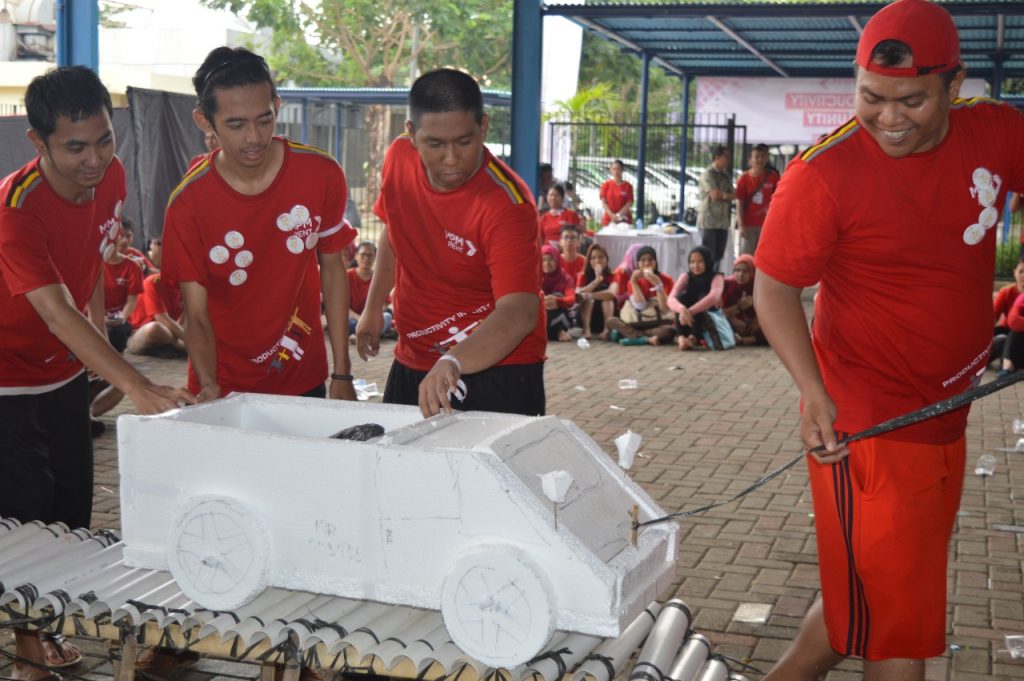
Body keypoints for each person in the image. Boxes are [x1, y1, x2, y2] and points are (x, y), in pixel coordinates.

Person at [753, 1, 1024, 679]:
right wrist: (812, 392)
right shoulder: (824, 174)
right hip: (867, 424)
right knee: (900, 629)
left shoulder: (994, 131)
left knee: (868, 604)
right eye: (871, 98)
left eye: (912, 101)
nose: (889, 119)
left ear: (954, 87)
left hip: (945, 416)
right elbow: (773, 288)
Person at [0, 65, 195, 681]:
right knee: (24, 514)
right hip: (5, 380)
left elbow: (85, 267)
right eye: (75, 147)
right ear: (39, 143)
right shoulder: (15, 210)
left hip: (61, 375)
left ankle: (45, 624)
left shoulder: (109, 177)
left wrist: (93, 359)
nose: (94, 159)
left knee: (70, 515)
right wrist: (133, 382)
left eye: (104, 140)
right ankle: (29, 655)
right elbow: (53, 311)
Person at [162, 46, 358, 403]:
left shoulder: (321, 174)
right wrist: (209, 384)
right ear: (204, 121)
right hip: (222, 381)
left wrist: (342, 372)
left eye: (264, 119)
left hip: (301, 371)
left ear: (277, 106)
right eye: (236, 125)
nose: (254, 137)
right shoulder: (188, 203)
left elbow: (333, 269)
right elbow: (195, 312)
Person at [356, 68, 546, 418]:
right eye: (435, 144)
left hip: (497, 364)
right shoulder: (398, 159)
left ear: (483, 128)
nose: (451, 159)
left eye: (464, 141)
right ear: (411, 134)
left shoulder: (508, 204)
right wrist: (372, 307)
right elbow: (395, 231)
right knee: (399, 466)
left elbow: (519, 311)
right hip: (416, 354)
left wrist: (454, 358)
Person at [606, 245, 674, 346]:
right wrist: (634, 282)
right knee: (611, 321)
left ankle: (630, 336)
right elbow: (640, 306)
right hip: (636, 321)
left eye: (650, 260)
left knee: (669, 331)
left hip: (656, 321)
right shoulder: (633, 281)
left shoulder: (666, 280)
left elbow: (665, 309)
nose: (647, 263)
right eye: (643, 260)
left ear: (656, 262)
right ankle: (645, 339)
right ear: (637, 264)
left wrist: (658, 285)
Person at [667, 245, 724, 351]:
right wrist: (682, 309)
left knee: (703, 297)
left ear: (708, 261)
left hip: (707, 319)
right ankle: (682, 338)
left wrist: (690, 311)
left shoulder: (717, 277)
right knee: (681, 299)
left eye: (700, 261)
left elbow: (713, 298)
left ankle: (693, 338)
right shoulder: (686, 276)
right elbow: (671, 299)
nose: (695, 265)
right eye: (692, 262)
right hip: (687, 320)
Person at [127, 272, 187, 357]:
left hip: (171, 333)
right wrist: (189, 342)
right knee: (154, 328)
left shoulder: (189, 287)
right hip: (141, 333)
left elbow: (185, 317)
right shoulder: (153, 282)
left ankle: (174, 347)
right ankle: (186, 347)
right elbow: (161, 318)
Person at [734, 144, 779, 255]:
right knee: (747, 256)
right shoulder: (743, 179)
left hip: (767, 225)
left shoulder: (773, 177)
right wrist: (741, 225)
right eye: (756, 156)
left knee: (765, 256)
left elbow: (779, 200)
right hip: (748, 225)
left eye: (763, 156)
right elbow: (739, 203)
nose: (760, 159)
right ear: (750, 160)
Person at [697, 145, 735, 271]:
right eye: (725, 157)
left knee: (719, 254)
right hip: (709, 220)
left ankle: (714, 281)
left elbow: (734, 194)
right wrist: (726, 195)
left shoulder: (726, 176)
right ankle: (706, 282)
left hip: (722, 221)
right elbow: (714, 195)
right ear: (717, 158)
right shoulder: (707, 174)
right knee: (708, 254)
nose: (728, 160)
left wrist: (723, 195)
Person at [347, 240, 393, 338]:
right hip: (353, 318)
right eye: (363, 254)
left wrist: (371, 318)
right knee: (344, 322)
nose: (366, 258)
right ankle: (370, 335)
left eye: (370, 255)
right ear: (356, 256)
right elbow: (344, 308)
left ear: (375, 257)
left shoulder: (379, 277)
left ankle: (361, 337)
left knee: (387, 316)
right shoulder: (347, 276)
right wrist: (362, 320)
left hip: (372, 318)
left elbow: (384, 305)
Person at [576, 242, 618, 340]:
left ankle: (606, 330)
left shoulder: (613, 275)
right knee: (588, 299)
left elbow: (611, 294)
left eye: (601, 257)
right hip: (587, 316)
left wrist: (590, 295)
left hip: (608, 315)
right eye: (594, 258)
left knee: (607, 299)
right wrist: (596, 281)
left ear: (607, 260)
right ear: (589, 261)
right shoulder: (583, 275)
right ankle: (586, 330)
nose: (597, 261)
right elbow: (578, 294)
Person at [721, 253, 764, 345]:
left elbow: (768, 310)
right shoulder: (727, 285)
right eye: (737, 270)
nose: (740, 274)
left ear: (753, 272)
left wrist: (757, 321)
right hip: (734, 323)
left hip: (754, 325)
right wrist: (738, 307)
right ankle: (741, 339)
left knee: (773, 328)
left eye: (745, 271)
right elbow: (721, 312)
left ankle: (744, 340)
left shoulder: (759, 285)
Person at [991, 258, 1024, 371]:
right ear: (1014, 272)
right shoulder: (1006, 292)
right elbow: (993, 318)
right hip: (1007, 331)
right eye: (1021, 271)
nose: (1023, 275)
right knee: (999, 339)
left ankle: (1007, 365)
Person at [541, 244, 576, 342]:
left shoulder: (566, 278)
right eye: (543, 260)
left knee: (557, 295)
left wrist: (557, 301)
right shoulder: (536, 277)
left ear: (557, 260)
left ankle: (557, 330)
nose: (547, 263)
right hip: (541, 316)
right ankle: (556, 332)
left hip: (562, 318)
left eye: (551, 259)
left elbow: (571, 299)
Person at [600, 159, 634, 226]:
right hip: (608, 220)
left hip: (624, 221)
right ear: (610, 170)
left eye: (618, 169)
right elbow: (604, 203)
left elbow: (629, 203)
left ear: (622, 170)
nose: (616, 172)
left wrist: (618, 215)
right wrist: (612, 216)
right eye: (614, 169)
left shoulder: (628, 186)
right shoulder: (606, 185)